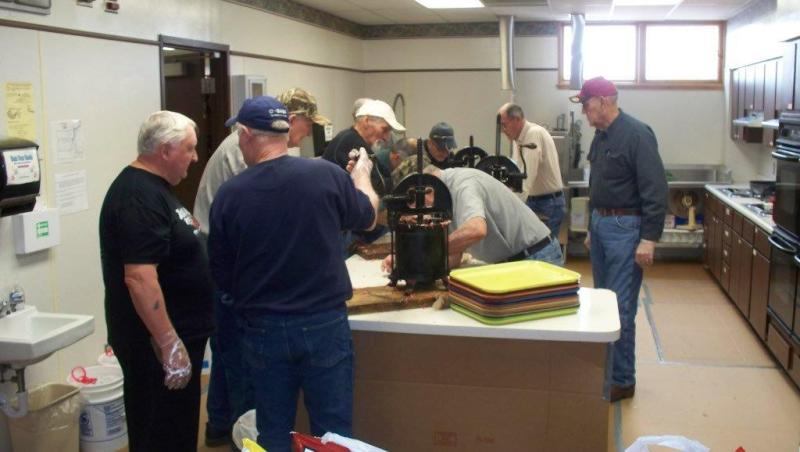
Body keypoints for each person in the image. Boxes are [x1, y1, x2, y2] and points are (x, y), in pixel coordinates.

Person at [208, 96, 379, 452]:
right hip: (324, 325)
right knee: (332, 435)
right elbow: (368, 218)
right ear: (285, 132)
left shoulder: (230, 195)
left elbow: (221, 275)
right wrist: (361, 176)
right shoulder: (327, 175)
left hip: (264, 329)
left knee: (273, 432)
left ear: (246, 134)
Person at [193, 87, 328, 447]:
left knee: (225, 350)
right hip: (227, 257)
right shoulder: (243, 152)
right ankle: (244, 437)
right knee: (241, 357)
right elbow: (265, 218)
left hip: (224, 249)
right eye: (307, 126)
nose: (305, 135)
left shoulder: (252, 145)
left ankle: (218, 425)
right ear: (291, 120)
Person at [99, 111, 213, 451]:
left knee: (178, 428)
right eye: (189, 149)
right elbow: (139, 278)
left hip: (178, 335)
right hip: (154, 344)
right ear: (165, 150)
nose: (195, 157)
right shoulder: (137, 196)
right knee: (159, 431)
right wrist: (168, 344)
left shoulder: (156, 189)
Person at [570, 76, 667, 402]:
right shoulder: (601, 137)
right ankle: (608, 371)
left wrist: (649, 238)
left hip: (626, 229)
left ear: (603, 101)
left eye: (586, 105)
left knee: (620, 308)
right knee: (603, 305)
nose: (584, 112)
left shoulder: (637, 134)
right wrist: (591, 227)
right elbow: (597, 184)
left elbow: (655, 189)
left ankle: (622, 380)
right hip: (601, 226)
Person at [383, 167, 562, 273]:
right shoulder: (442, 201)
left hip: (536, 257)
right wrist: (408, 261)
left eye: (414, 205)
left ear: (426, 190)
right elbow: (453, 257)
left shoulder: (463, 185)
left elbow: (476, 230)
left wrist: (423, 250)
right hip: (512, 262)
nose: (419, 216)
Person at [498, 103, 565, 239]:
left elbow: (526, 180)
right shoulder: (518, 140)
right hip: (534, 201)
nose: (502, 130)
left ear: (517, 119)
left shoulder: (533, 134)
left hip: (547, 204)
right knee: (531, 246)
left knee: (543, 249)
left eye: (504, 125)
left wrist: (508, 209)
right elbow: (516, 175)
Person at [322, 98, 405, 194]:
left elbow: (383, 178)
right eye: (384, 129)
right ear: (367, 121)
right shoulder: (351, 143)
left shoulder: (356, 141)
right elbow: (378, 188)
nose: (386, 138)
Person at [391, 122, 458, 186]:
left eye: (449, 148)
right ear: (430, 142)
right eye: (441, 149)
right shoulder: (413, 150)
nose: (446, 154)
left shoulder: (450, 158)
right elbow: (396, 178)